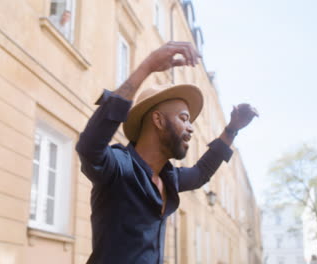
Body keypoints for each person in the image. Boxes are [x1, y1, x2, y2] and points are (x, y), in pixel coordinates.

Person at [76, 41, 258, 264]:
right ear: (158, 120)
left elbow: (201, 173)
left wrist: (231, 130)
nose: (191, 127)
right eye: (183, 118)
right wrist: (148, 66)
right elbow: (89, 146)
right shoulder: (119, 167)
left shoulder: (169, 178)